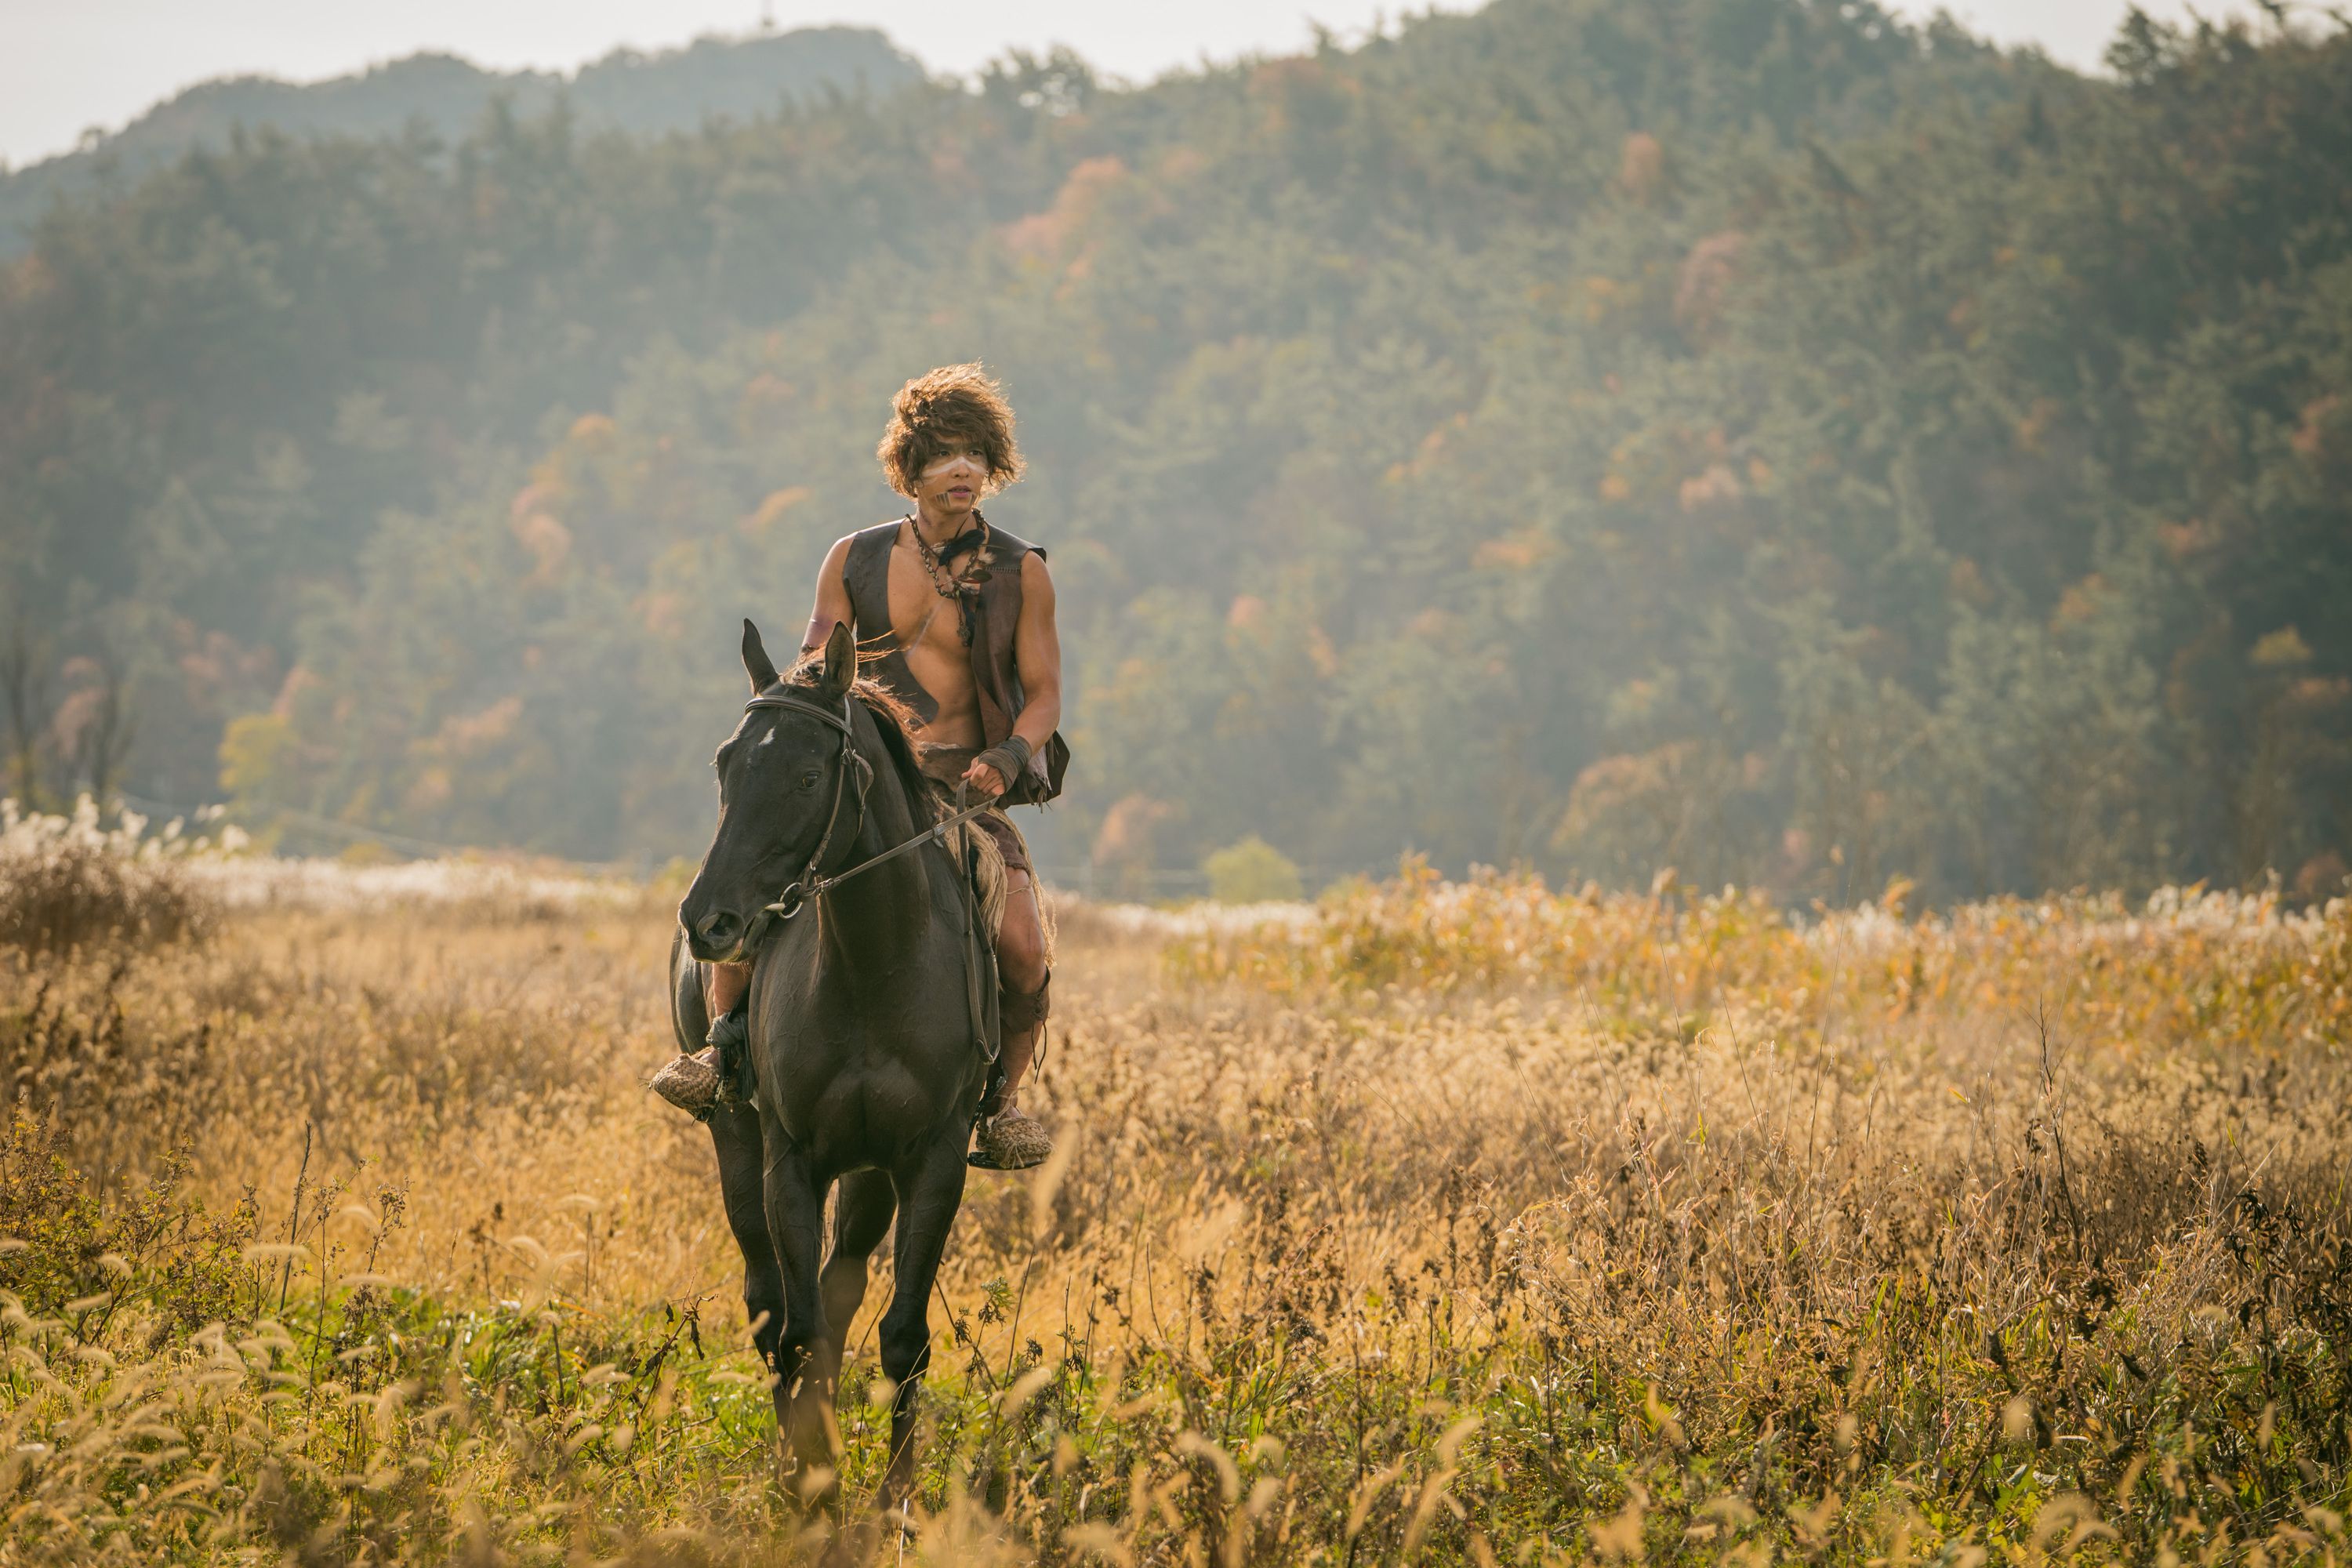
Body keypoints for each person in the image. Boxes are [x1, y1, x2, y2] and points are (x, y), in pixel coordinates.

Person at [653, 364, 1067, 1170]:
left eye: (977, 454)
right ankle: (720, 1049)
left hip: (962, 798)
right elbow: (816, 662)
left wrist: (1008, 755)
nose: (963, 470)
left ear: (995, 466)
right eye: (945, 454)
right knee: (760, 884)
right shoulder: (853, 557)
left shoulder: (1024, 572)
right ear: (909, 469)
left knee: (1023, 948)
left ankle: (1002, 1103)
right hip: (863, 783)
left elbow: (1045, 694)